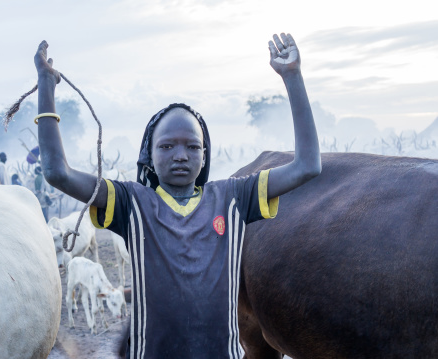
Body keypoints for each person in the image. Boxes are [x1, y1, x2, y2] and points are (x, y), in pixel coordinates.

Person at [34, 33, 321, 358]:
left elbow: (307, 166)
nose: (181, 155)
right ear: (149, 156)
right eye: (167, 146)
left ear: (204, 153)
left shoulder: (234, 196)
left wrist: (293, 76)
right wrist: (46, 86)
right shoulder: (131, 203)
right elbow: (58, 172)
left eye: (192, 146)